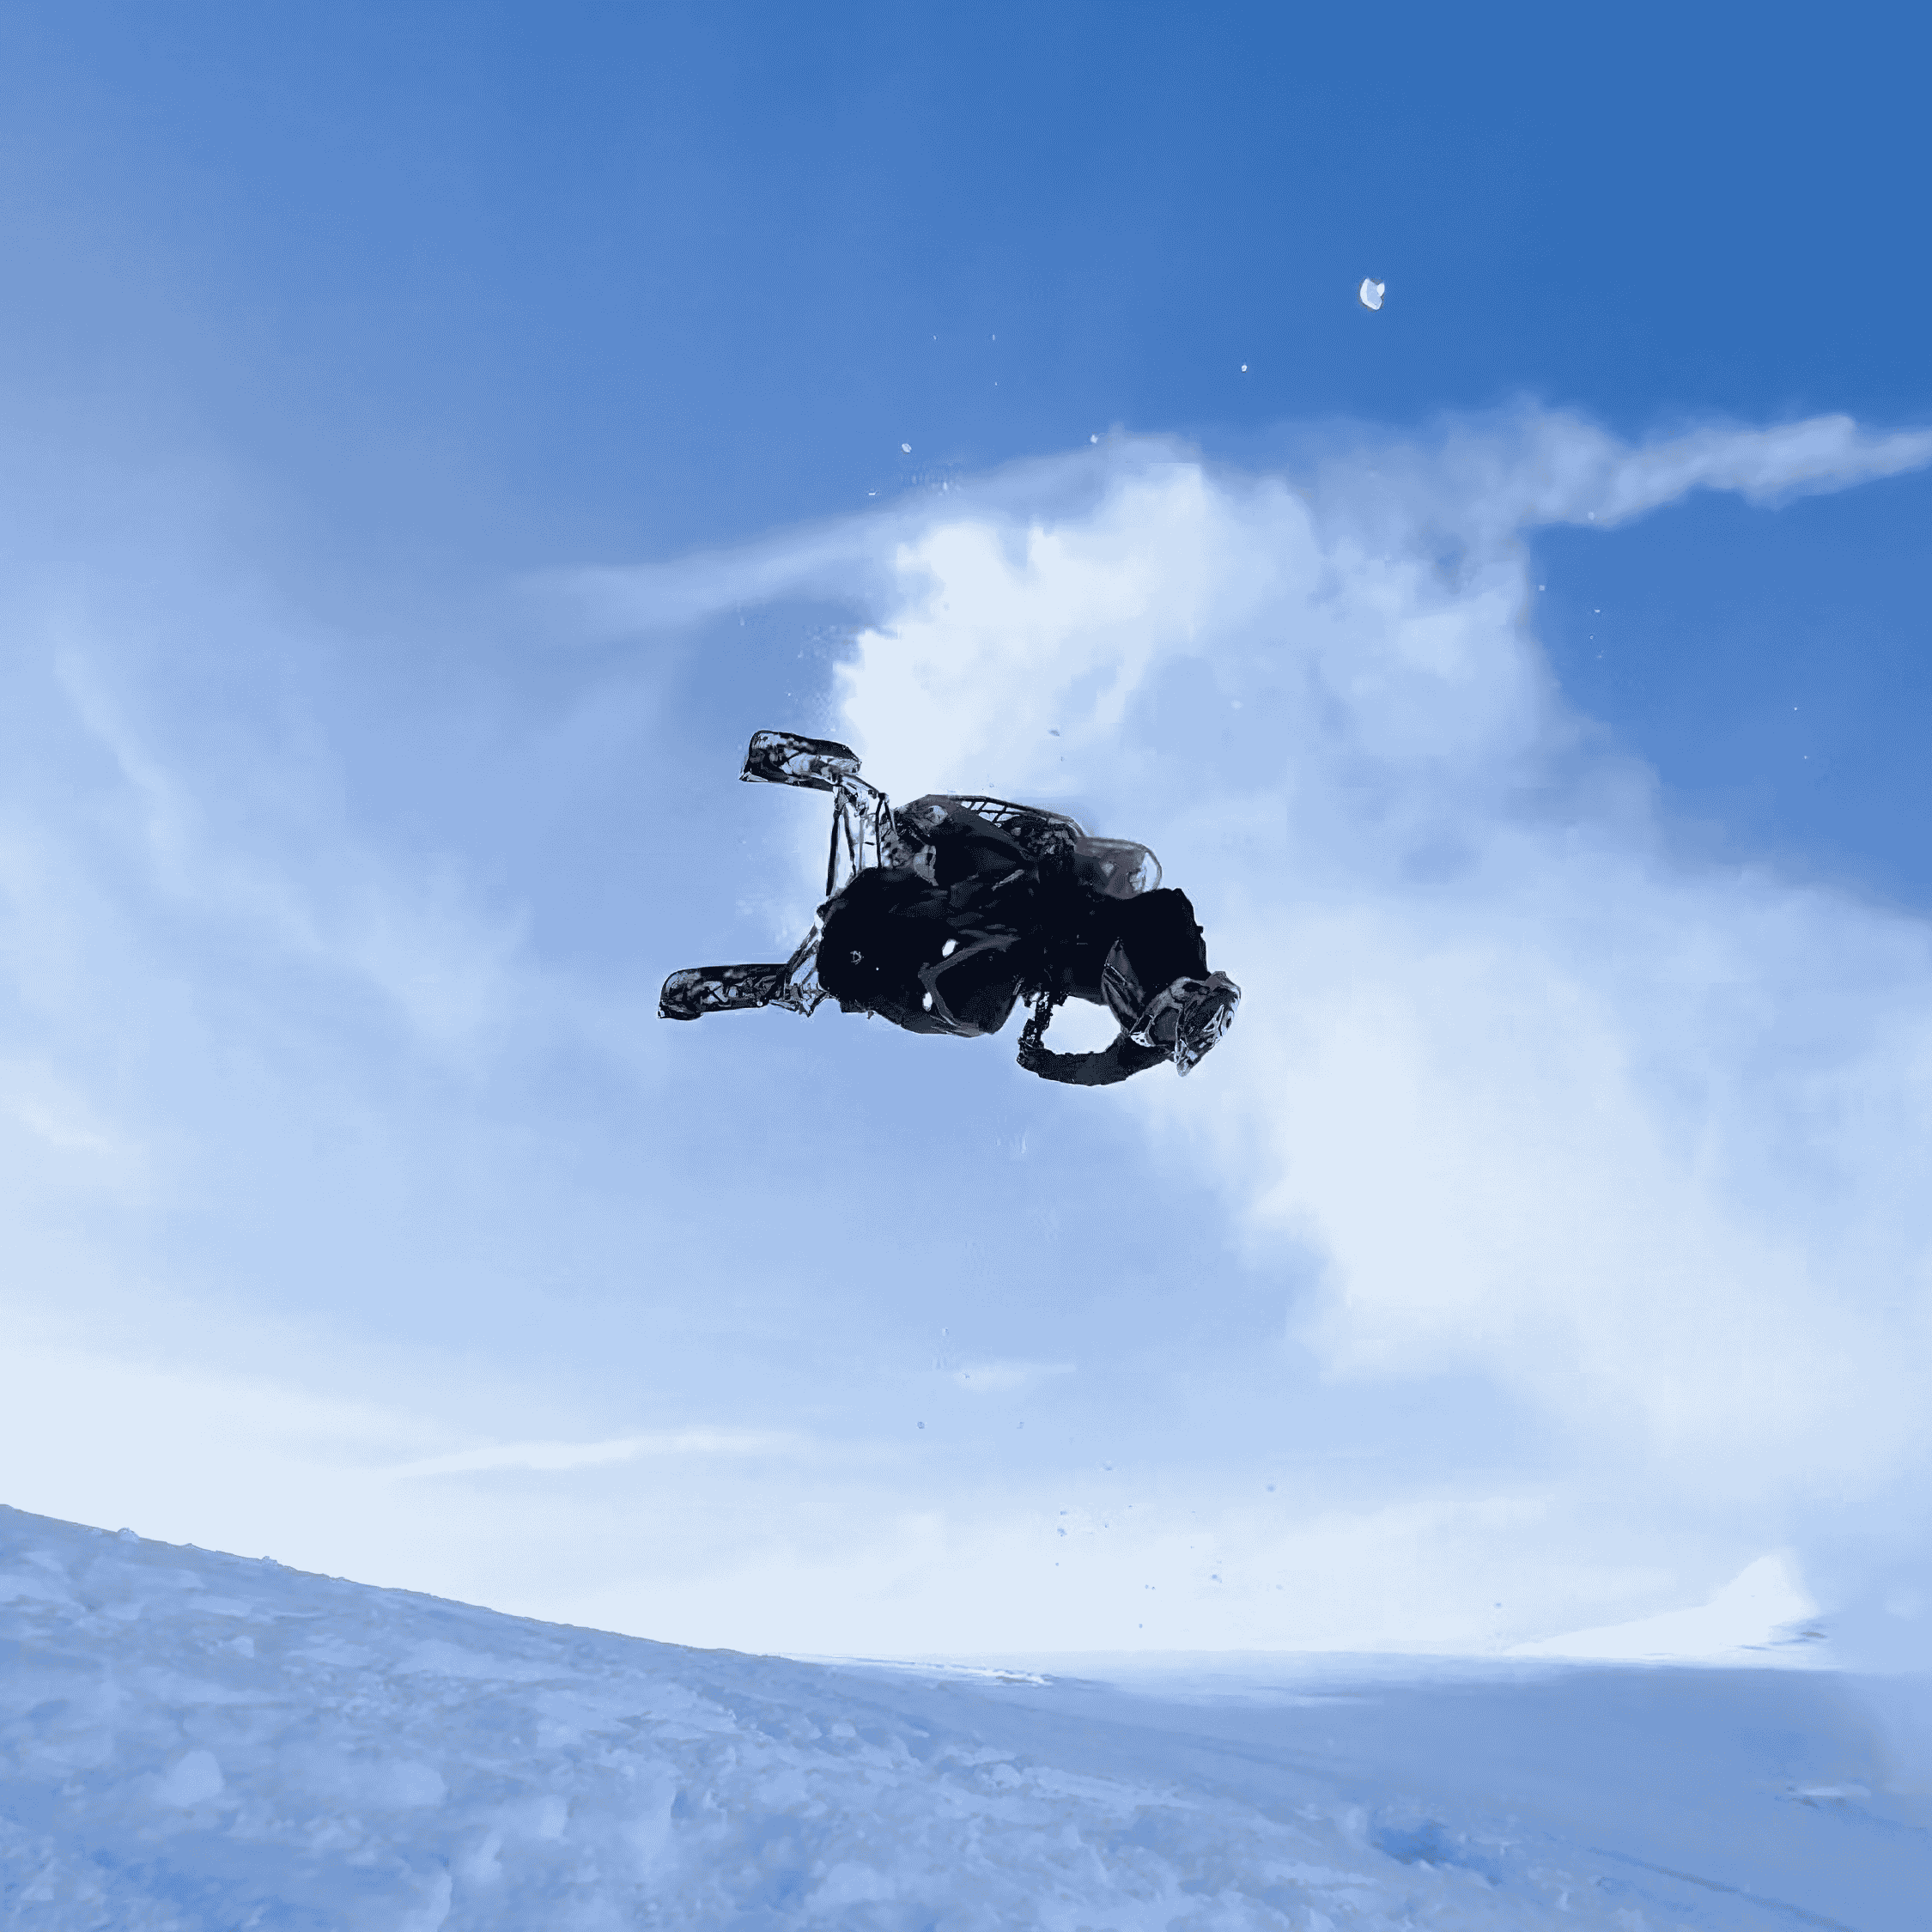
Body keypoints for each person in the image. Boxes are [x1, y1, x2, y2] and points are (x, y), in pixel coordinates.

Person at [659, 732, 1240, 1084]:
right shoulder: (1174, 942)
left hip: (1026, 962)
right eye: (1166, 1024)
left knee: (967, 1012)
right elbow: (1162, 902)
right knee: (963, 889)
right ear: (1185, 997)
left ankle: (844, 982)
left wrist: (1045, 1061)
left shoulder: (1152, 1045)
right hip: (1046, 894)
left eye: (1163, 1037)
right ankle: (876, 823)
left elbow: (1104, 1071)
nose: (1153, 1032)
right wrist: (1067, 893)